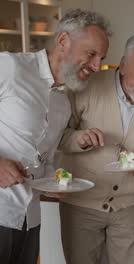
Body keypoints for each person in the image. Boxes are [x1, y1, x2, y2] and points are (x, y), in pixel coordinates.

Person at [0, 9, 110, 264]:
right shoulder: (9, 68)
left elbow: (45, 160)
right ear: (63, 42)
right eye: (91, 54)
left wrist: (56, 184)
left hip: (29, 220)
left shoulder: (63, 103)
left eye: (101, 58)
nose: (96, 66)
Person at [57, 33, 134, 264]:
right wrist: (79, 139)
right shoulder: (84, 86)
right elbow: (56, 137)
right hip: (81, 204)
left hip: (129, 207)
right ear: (122, 65)